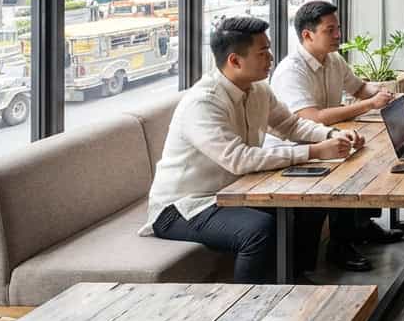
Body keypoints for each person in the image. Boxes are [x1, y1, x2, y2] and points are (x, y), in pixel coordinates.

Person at [142, 16, 361, 283]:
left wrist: (333, 134)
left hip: (236, 192)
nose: (271, 57)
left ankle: (293, 283)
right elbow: (239, 160)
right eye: (263, 52)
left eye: (268, 48)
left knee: (309, 204)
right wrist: (315, 152)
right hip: (187, 206)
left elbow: (289, 124)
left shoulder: (258, 89)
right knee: (258, 229)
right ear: (235, 61)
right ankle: (249, 309)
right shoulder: (203, 103)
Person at [269, 0, 404, 271]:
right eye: (330, 30)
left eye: (338, 28)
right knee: (348, 166)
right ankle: (340, 246)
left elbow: (360, 88)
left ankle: (361, 228)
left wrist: (385, 94)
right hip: (295, 148)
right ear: (307, 35)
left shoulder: (333, 60)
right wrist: (369, 104)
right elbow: (310, 118)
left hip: (326, 137)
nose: (338, 35)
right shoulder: (291, 71)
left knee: (372, 155)